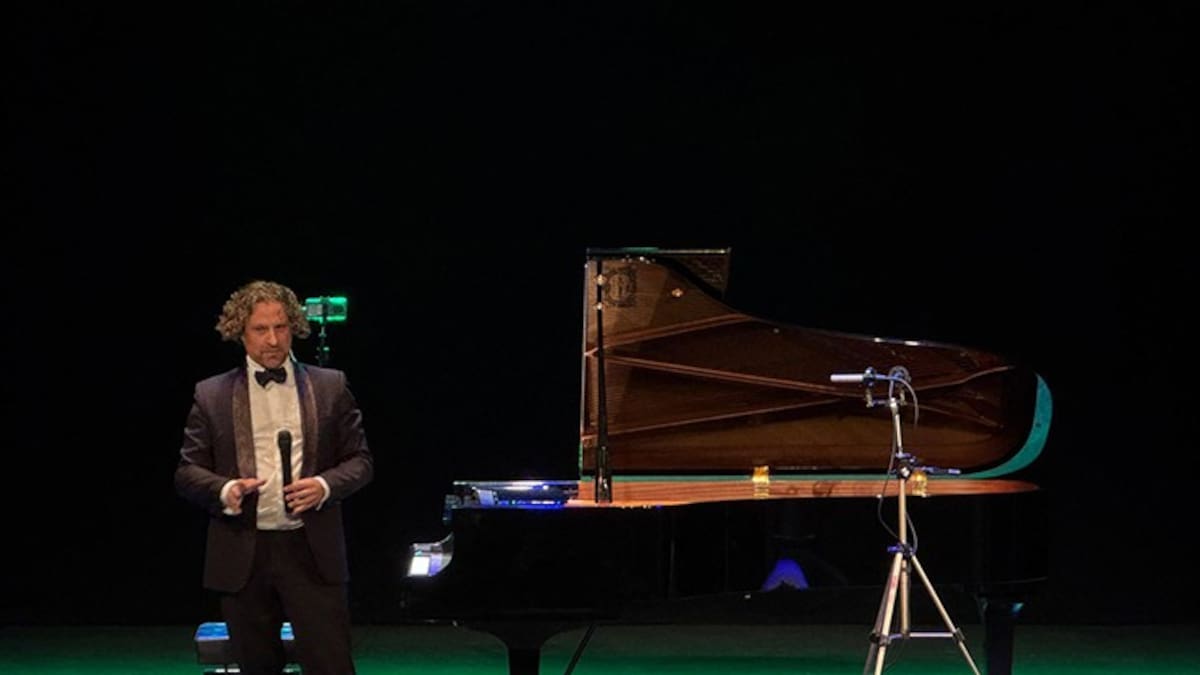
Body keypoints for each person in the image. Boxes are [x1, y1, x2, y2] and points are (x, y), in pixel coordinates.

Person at [175, 279, 373, 675]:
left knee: (332, 664)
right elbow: (187, 472)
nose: (272, 340)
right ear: (239, 332)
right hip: (244, 554)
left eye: (280, 327)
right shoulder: (211, 395)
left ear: (294, 327)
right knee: (257, 666)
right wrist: (226, 489)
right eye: (260, 329)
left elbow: (361, 461)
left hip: (310, 550)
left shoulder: (330, 386)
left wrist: (324, 486)